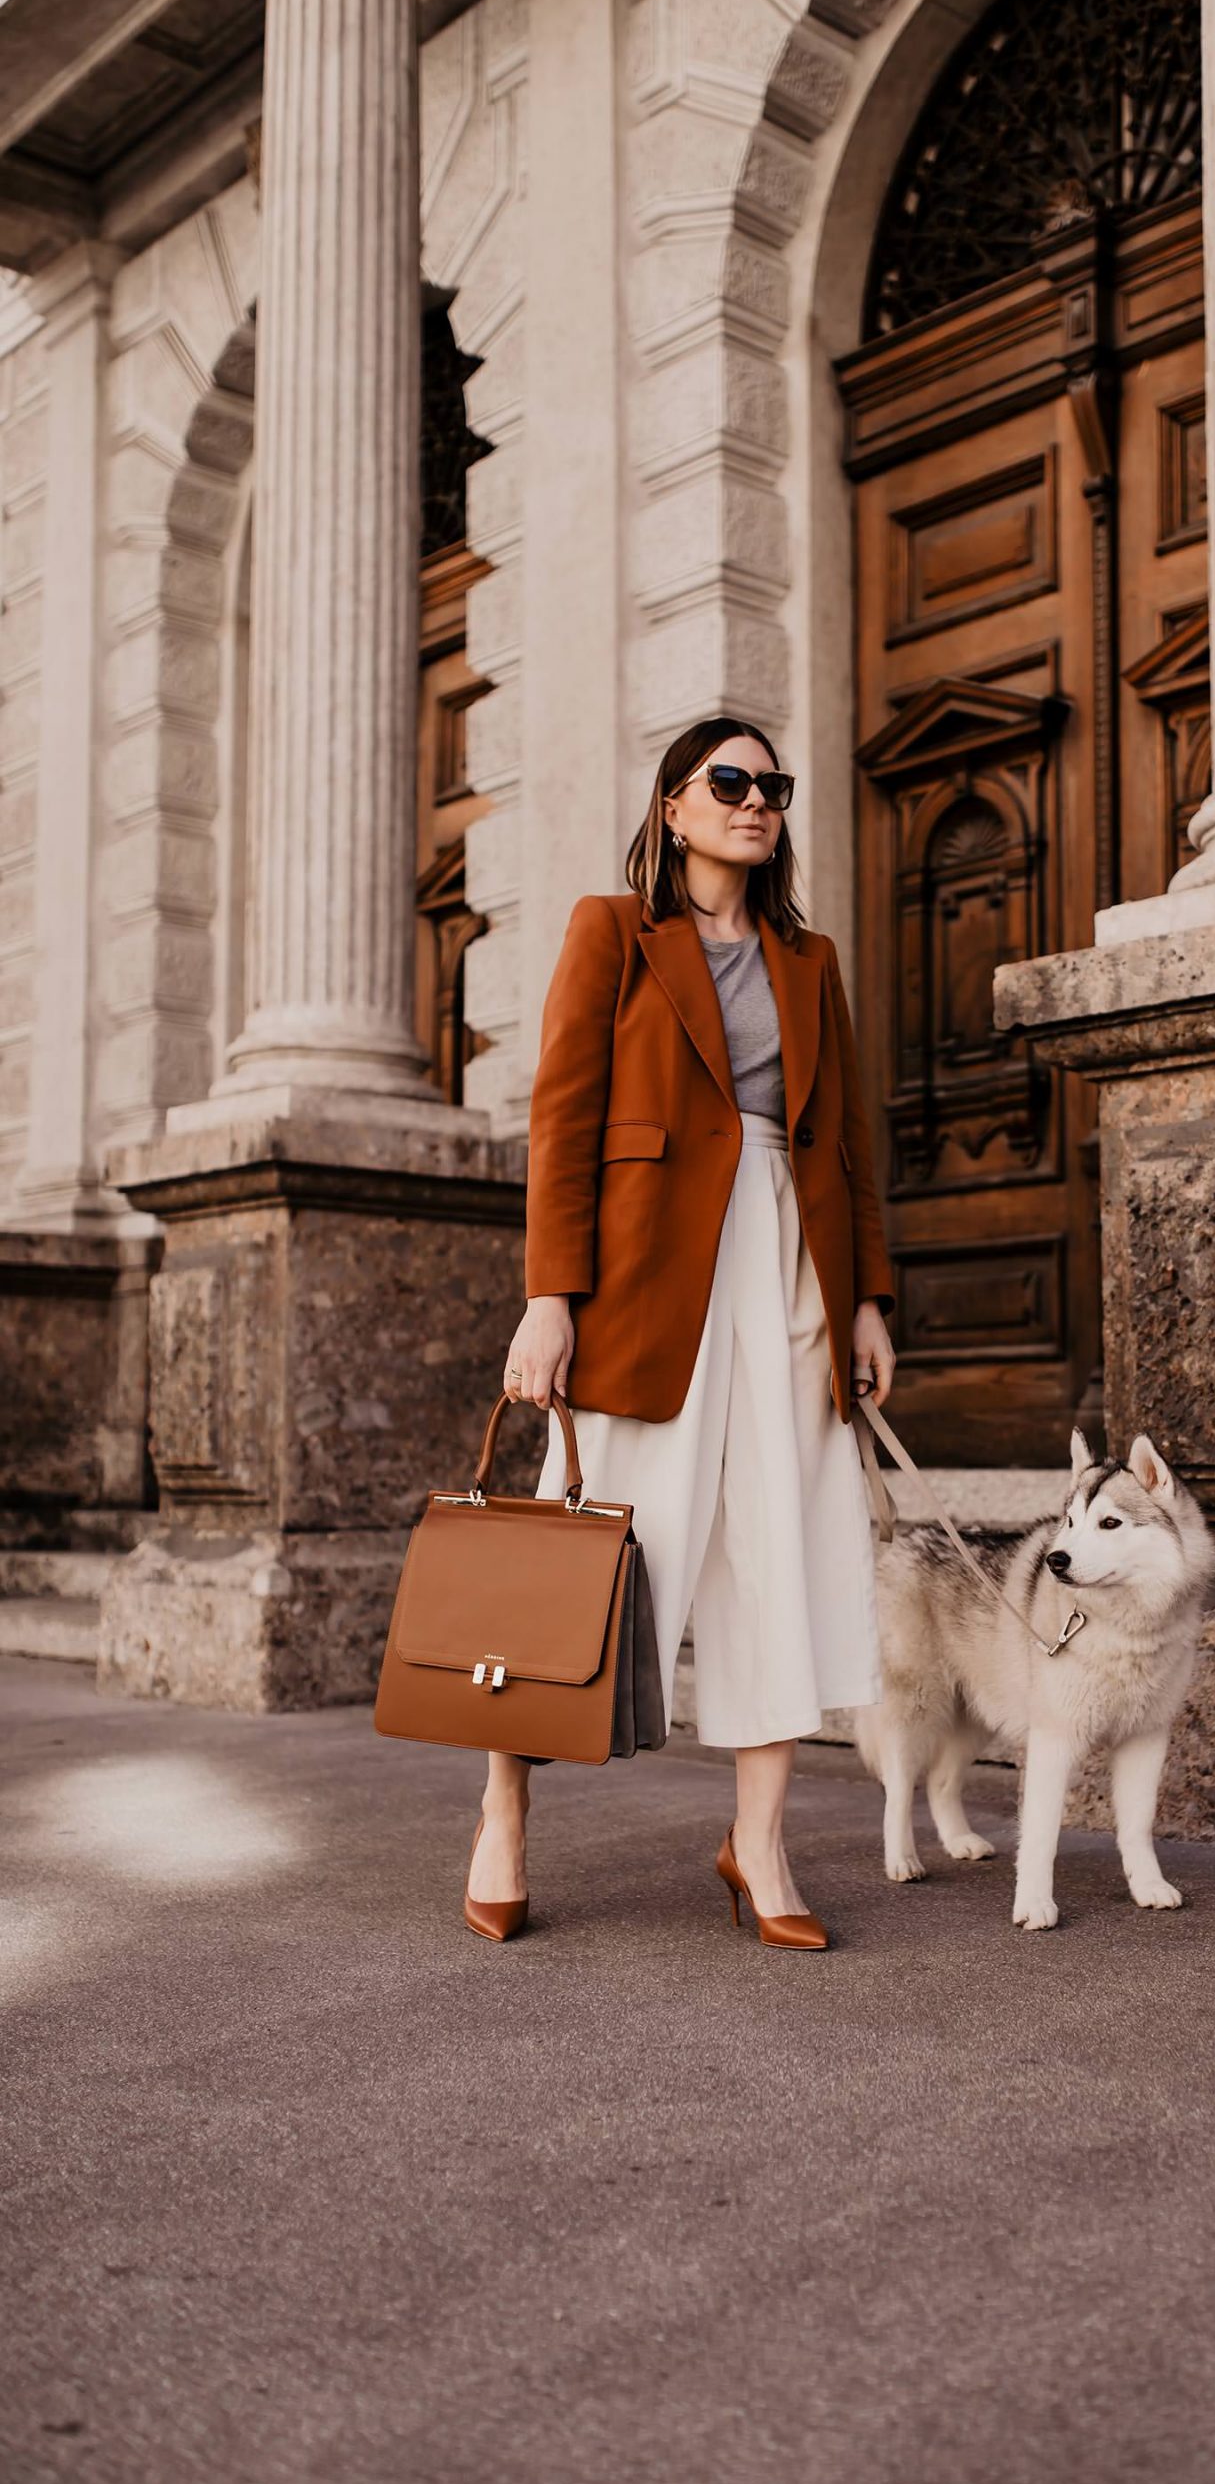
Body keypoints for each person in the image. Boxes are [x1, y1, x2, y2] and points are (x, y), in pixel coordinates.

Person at [464, 716, 896, 1949]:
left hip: (788, 1266)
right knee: (591, 1556)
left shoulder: (808, 960)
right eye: (730, 781)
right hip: (647, 1268)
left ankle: (759, 1843)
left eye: (773, 786)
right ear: (674, 807)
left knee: (782, 1543)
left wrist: (865, 1296)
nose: (757, 802)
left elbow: (847, 1144)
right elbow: (562, 1119)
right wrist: (550, 1296)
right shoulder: (613, 931)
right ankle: (503, 1814)